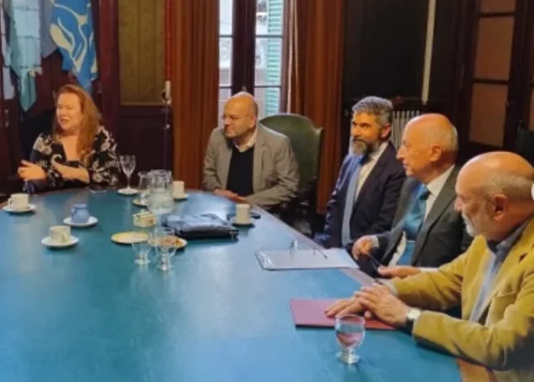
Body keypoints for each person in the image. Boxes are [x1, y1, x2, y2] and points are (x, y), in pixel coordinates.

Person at [327, 152, 534, 382]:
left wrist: (408, 315)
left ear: (499, 207)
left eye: (463, 199)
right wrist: (382, 293)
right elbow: (447, 280)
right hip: (469, 365)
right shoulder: (490, 234)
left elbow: (501, 345)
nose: (457, 207)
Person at [348, 114, 472, 276]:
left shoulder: (466, 194)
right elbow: (404, 237)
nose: (399, 155)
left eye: (406, 146)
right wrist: (375, 240)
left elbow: (469, 270)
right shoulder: (411, 183)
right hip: (383, 276)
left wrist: (417, 275)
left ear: (434, 153)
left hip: (425, 288)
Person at [320, 97, 405, 248]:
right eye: (354, 124)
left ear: (385, 130)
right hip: (335, 248)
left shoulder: (397, 168)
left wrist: (352, 250)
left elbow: (385, 223)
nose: (355, 132)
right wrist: (331, 245)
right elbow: (335, 205)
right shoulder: (351, 159)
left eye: (364, 126)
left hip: (365, 252)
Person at [202, 92, 299, 210]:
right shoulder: (217, 136)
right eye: (224, 117)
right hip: (222, 208)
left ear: (252, 120)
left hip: (261, 211)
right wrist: (217, 191)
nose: (226, 122)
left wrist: (245, 202)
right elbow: (209, 173)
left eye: (233, 118)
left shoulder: (278, 144)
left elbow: (288, 186)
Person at [18, 84, 121, 191]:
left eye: (69, 108)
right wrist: (41, 179)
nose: (62, 113)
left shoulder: (100, 136)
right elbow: (32, 186)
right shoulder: (45, 141)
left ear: (83, 113)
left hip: (96, 201)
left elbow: (112, 176)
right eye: (59, 107)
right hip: (55, 201)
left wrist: (73, 173)